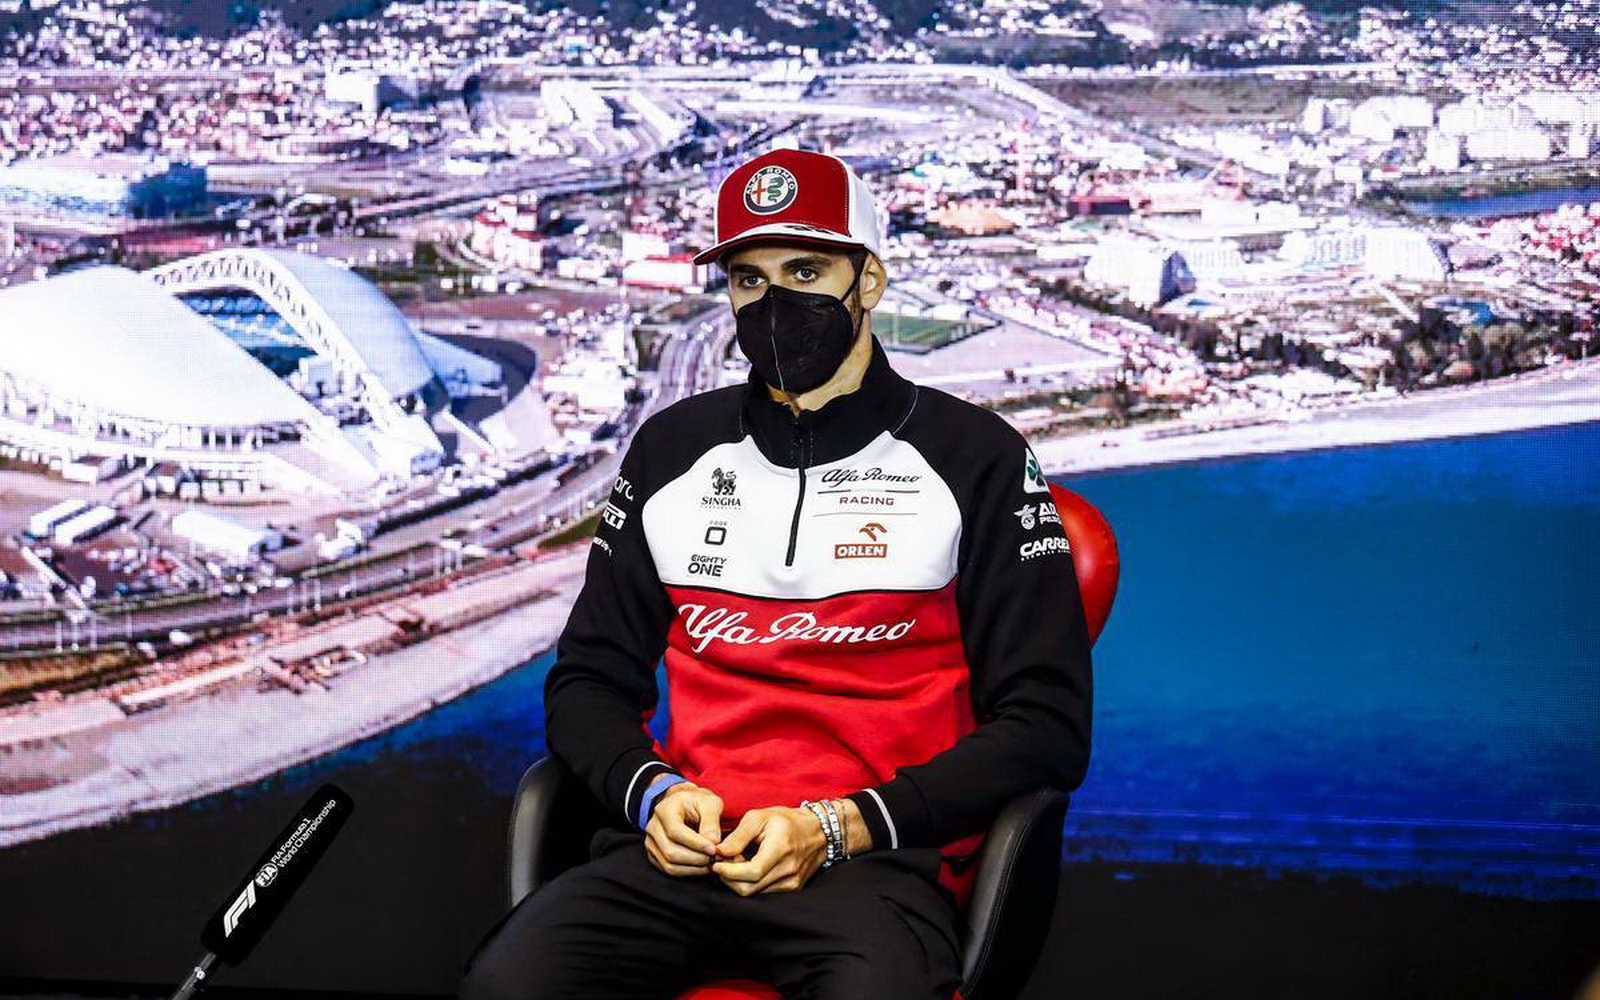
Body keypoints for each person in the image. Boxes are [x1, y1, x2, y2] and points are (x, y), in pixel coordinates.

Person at [458, 147, 1093, 1000]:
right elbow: (587, 681)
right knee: (504, 984)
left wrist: (839, 826)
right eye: (748, 280)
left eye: (805, 271)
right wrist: (651, 794)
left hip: (875, 864)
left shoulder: (976, 457)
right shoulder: (671, 451)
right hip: (681, 858)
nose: (774, 304)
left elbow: (1048, 725)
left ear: (869, 281)